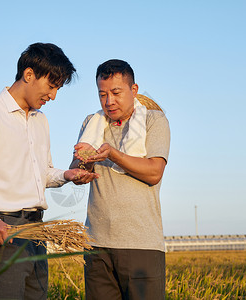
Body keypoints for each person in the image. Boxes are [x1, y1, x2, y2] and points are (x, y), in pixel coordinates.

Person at [0, 42, 98, 300]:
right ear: (29, 75)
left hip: (36, 231)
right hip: (1, 231)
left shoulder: (41, 120)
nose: (53, 96)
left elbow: (42, 172)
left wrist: (66, 175)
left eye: (57, 89)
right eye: (52, 86)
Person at [70, 59, 170, 300]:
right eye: (102, 94)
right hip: (96, 244)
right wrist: (83, 163)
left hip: (141, 244)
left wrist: (113, 154)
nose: (109, 101)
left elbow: (154, 172)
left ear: (133, 90)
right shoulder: (91, 123)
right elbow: (76, 171)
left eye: (116, 93)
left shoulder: (153, 120)